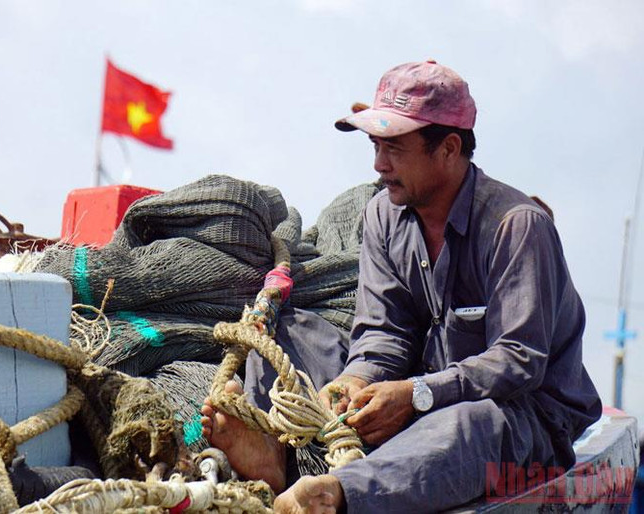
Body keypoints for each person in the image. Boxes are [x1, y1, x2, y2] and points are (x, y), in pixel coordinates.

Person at [201, 60, 601, 513]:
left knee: (470, 425)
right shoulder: (382, 216)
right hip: (421, 388)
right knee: (288, 329)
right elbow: (383, 334)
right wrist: (358, 380)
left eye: (394, 148)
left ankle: (337, 494)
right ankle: (273, 452)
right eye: (375, 146)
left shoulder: (516, 226)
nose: (378, 164)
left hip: (524, 415)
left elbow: (519, 362)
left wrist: (417, 395)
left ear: (449, 148)